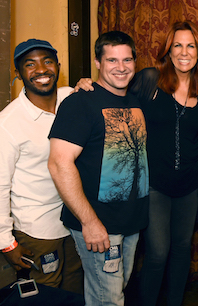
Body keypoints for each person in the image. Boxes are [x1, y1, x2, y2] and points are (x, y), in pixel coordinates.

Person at [78, 21, 198, 305]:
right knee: (157, 253)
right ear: (168, 50)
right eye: (177, 45)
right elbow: (114, 91)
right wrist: (85, 83)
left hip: (188, 187)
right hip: (154, 187)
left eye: (191, 46)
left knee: (182, 251)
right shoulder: (150, 80)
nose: (184, 52)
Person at [48, 31, 149, 306]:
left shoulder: (135, 99)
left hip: (129, 222)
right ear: (97, 62)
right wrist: (90, 223)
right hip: (98, 225)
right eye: (112, 60)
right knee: (108, 299)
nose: (121, 67)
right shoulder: (80, 103)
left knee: (115, 291)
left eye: (127, 60)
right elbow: (59, 164)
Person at [0, 39, 83, 294]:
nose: (41, 70)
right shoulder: (4, 126)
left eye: (47, 61)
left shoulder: (71, 99)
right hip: (37, 231)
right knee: (44, 296)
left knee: (76, 293)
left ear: (58, 66)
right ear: (18, 73)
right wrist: (6, 243)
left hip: (76, 221)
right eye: (30, 64)